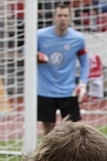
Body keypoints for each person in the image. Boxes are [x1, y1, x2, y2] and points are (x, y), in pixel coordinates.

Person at [36, 3, 89, 135]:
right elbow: (26, 50)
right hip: (45, 90)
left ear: (70, 18)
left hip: (68, 91)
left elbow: (84, 61)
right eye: (60, 15)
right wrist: (36, 55)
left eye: (65, 15)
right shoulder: (40, 36)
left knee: (72, 132)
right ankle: (49, 150)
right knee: (48, 131)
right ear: (54, 17)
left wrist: (82, 83)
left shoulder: (77, 39)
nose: (62, 18)